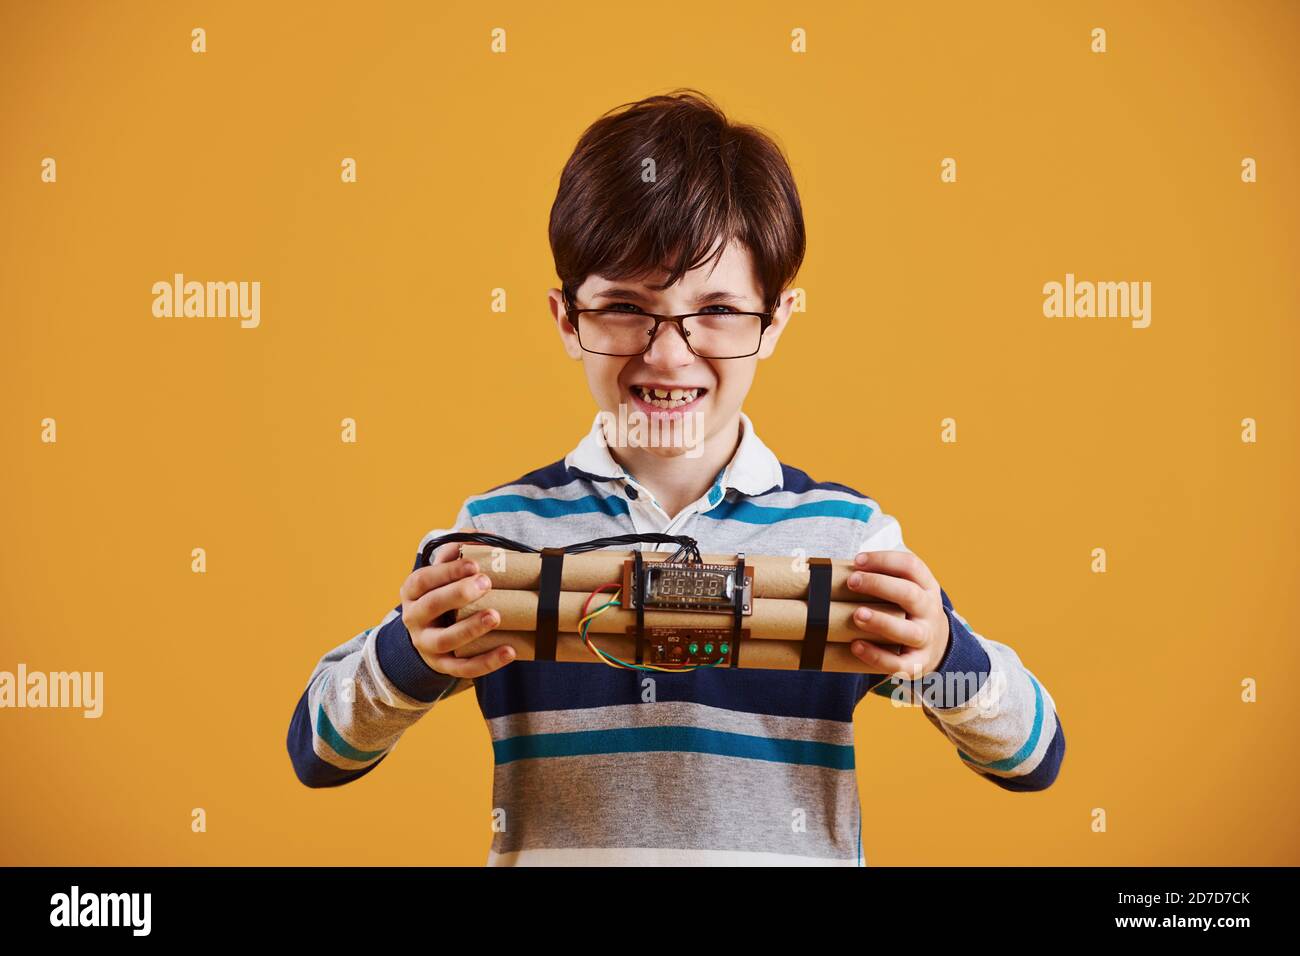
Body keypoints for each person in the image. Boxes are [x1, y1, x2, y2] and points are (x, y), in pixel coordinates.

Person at [286, 88, 1065, 865]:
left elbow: (1031, 755)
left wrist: (940, 655)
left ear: (776, 322)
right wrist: (408, 655)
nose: (668, 354)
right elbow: (318, 752)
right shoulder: (500, 537)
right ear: (567, 319)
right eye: (625, 306)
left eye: (718, 310)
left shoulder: (844, 541)